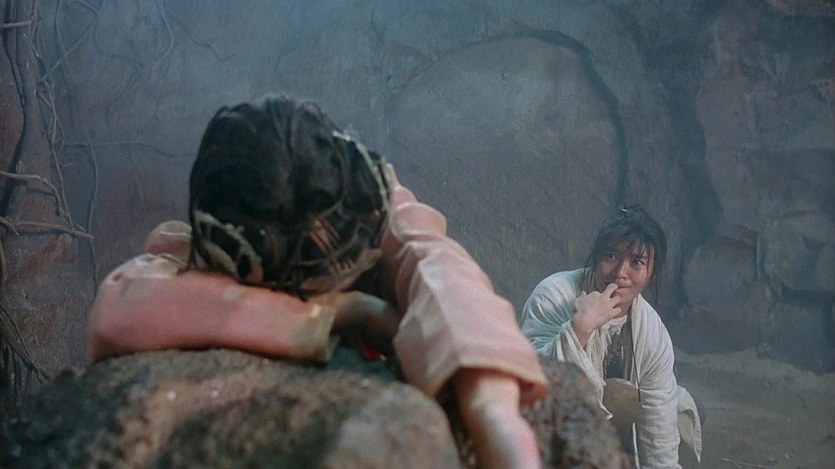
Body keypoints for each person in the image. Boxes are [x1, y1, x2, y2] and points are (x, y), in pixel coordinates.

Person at [88, 95, 549, 468]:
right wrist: (335, 313)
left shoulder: (369, 197)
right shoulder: (218, 243)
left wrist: (491, 407)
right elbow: (120, 309)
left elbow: (437, 265)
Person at [519, 205, 702, 468]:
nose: (620, 272)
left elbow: (658, 421)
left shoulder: (652, 332)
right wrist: (579, 330)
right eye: (611, 255)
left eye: (636, 262)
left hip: (610, 429)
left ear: (651, 274)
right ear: (596, 257)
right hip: (548, 428)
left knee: (679, 406)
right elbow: (530, 383)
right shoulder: (553, 296)